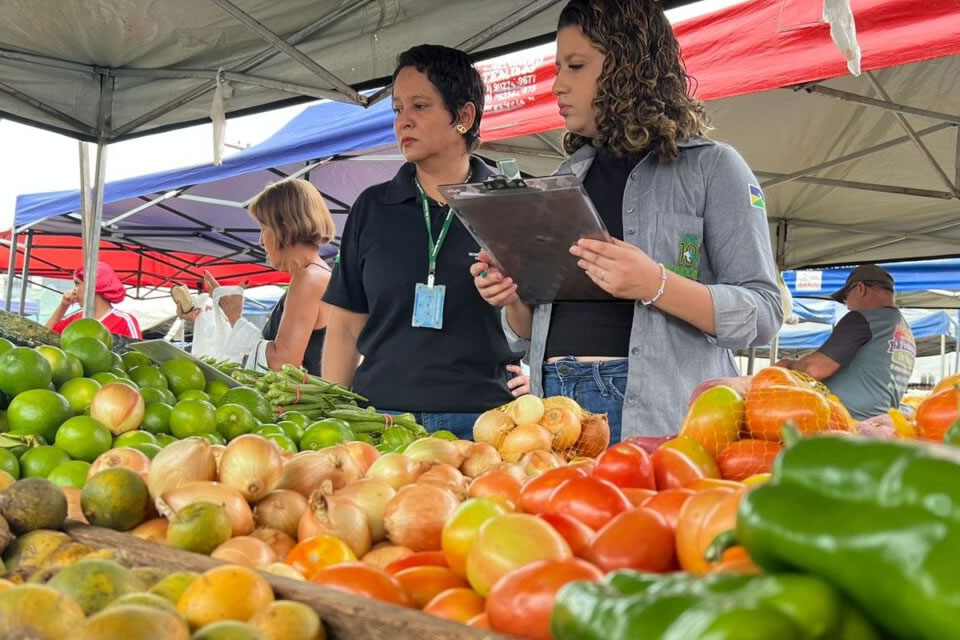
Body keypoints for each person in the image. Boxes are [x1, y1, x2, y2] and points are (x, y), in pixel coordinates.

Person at [472, 0, 782, 441]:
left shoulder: (714, 168)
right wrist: (512, 295)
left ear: (627, 66)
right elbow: (525, 334)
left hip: (660, 411)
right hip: (551, 407)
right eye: (558, 67)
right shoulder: (565, 178)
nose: (557, 85)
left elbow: (764, 312)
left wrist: (656, 283)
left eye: (575, 66)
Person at [322, 44, 527, 439]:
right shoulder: (372, 206)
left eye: (420, 106)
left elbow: (536, 320)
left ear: (464, 116)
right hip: (381, 420)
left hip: (484, 424)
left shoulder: (511, 200)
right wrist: (336, 413)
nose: (404, 122)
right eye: (398, 110)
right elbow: (346, 326)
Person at [176, 179, 333, 374]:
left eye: (263, 228)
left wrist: (235, 317)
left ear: (284, 228)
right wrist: (216, 318)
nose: (260, 241)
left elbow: (282, 362)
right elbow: (274, 347)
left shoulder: (308, 278)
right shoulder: (314, 275)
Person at [776, 264, 916, 421]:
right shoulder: (905, 331)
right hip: (882, 425)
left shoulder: (862, 319)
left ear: (861, 288)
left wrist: (787, 365)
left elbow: (815, 368)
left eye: (845, 298)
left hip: (849, 424)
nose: (847, 306)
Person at [46, 261, 142, 339]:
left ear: (93, 285)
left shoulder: (124, 321)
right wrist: (64, 305)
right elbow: (43, 337)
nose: (74, 291)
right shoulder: (73, 320)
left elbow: (138, 357)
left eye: (77, 283)